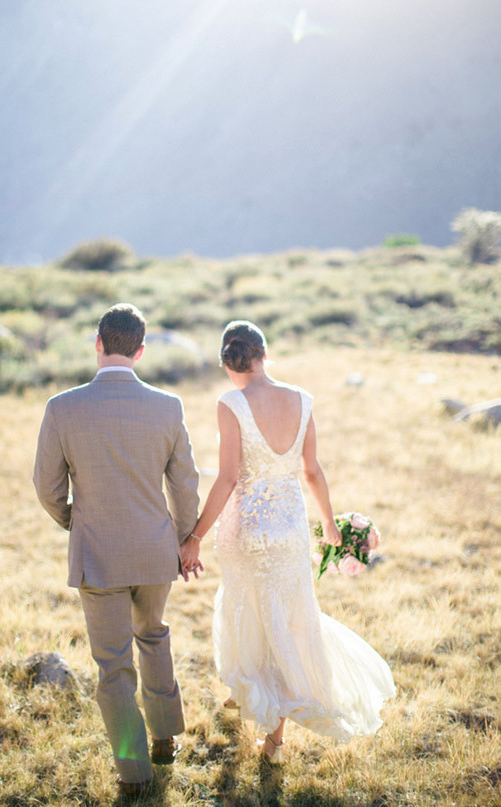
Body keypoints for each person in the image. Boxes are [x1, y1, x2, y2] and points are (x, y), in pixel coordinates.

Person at [180, 320, 395, 762]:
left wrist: (195, 536)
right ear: (264, 353)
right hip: (290, 528)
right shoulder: (302, 399)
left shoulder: (231, 403)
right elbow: (312, 471)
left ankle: (251, 691)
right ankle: (272, 736)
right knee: (286, 618)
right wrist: (330, 524)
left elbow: (226, 478)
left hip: (246, 530)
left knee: (247, 608)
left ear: (228, 363)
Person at [33, 303, 200, 798]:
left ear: (98, 343)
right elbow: (186, 484)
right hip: (155, 552)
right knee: (154, 635)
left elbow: (46, 486)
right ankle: (165, 738)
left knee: (112, 665)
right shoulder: (169, 406)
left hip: (97, 553)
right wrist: (186, 539)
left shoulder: (62, 407)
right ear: (142, 350)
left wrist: (73, 520)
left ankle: (133, 773)